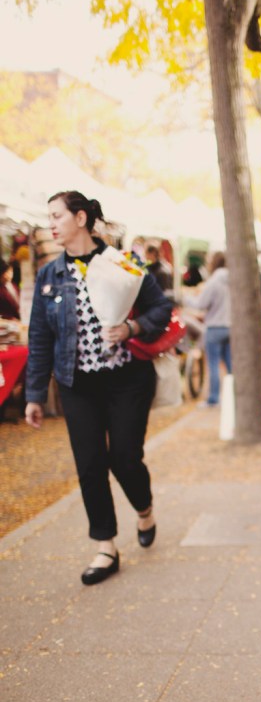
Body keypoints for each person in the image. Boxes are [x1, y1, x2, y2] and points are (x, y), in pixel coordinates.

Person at [24, 190, 173, 586]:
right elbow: (40, 338)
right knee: (90, 464)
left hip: (126, 380)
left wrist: (132, 328)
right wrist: (35, 395)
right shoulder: (48, 276)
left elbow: (162, 309)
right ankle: (105, 545)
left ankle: (144, 509)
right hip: (77, 385)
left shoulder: (122, 263)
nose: (50, 224)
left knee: (124, 458)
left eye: (57, 216)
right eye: (49, 216)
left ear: (81, 219)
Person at [193, 250, 231, 407]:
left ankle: (214, 398)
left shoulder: (214, 282)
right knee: (230, 365)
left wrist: (185, 299)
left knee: (213, 364)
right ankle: (233, 395)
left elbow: (200, 304)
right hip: (230, 325)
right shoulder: (233, 280)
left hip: (215, 326)